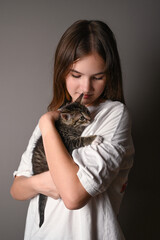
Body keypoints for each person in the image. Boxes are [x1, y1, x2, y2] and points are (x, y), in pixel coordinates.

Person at [10, 20, 134, 240]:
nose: (86, 88)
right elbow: (17, 189)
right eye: (76, 75)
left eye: (98, 77)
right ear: (62, 72)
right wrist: (44, 182)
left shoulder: (114, 115)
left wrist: (47, 125)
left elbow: (73, 195)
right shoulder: (53, 117)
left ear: (109, 74)